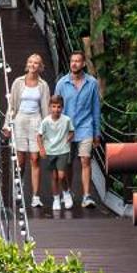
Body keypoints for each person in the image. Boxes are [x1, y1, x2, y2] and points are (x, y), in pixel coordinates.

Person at [53, 51, 101, 209]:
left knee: (85, 160)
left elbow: (95, 108)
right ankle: (68, 192)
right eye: (72, 61)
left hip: (85, 127)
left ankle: (87, 196)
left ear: (83, 64)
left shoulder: (92, 83)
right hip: (66, 129)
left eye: (78, 61)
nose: (74, 64)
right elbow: (54, 107)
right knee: (67, 163)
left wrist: (97, 132)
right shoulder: (62, 83)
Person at [6, 53, 52, 208]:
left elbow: (46, 108)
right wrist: (7, 125)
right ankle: (18, 187)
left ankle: (35, 196)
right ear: (27, 64)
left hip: (36, 121)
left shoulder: (43, 85)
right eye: (31, 62)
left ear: (40, 66)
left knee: (35, 158)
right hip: (20, 120)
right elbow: (11, 105)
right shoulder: (18, 82)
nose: (33, 65)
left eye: (36, 63)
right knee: (20, 160)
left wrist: (47, 129)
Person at [38, 94, 76, 212]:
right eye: (53, 107)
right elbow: (39, 136)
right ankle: (56, 198)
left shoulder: (66, 120)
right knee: (54, 176)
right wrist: (42, 149)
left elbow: (72, 131)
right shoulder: (45, 121)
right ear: (50, 107)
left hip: (63, 151)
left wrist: (68, 138)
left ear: (62, 108)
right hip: (50, 151)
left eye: (59, 107)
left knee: (61, 175)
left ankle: (66, 193)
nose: (56, 109)